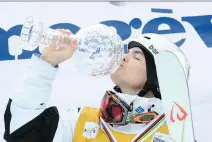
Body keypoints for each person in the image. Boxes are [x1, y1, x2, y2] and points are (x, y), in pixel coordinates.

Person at [3, 30, 190, 142]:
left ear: (159, 80)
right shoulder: (81, 120)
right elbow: (21, 131)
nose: (123, 57)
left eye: (137, 57)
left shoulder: (176, 136)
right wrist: (46, 63)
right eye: (128, 52)